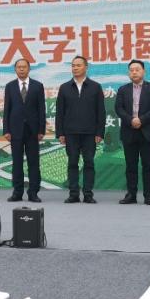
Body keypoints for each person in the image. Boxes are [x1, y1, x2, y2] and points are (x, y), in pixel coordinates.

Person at [55, 56, 105, 204]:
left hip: (90, 133)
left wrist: (99, 132)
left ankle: (88, 194)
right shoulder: (64, 87)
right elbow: (60, 112)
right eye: (73, 65)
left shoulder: (95, 87)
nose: (75, 68)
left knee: (89, 163)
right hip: (70, 133)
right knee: (72, 163)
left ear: (86, 67)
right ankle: (73, 194)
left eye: (78, 65)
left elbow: (101, 112)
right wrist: (60, 133)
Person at [114, 60, 150, 205]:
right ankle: (131, 195)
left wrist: (141, 119)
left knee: (149, 166)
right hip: (129, 132)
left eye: (137, 69)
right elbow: (119, 109)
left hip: (147, 132)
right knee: (131, 166)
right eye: (131, 70)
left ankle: (149, 196)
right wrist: (131, 120)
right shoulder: (123, 89)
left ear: (144, 72)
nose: (134, 72)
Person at [2, 59, 46, 203]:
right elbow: (7, 109)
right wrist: (6, 130)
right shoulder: (10, 86)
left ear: (29, 69)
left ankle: (33, 193)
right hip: (15, 130)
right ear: (15, 69)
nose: (21, 69)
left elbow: (41, 109)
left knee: (34, 163)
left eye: (24, 67)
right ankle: (17, 192)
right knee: (17, 163)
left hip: (33, 131)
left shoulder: (38, 86)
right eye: (19, 67)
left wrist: (41, 130)